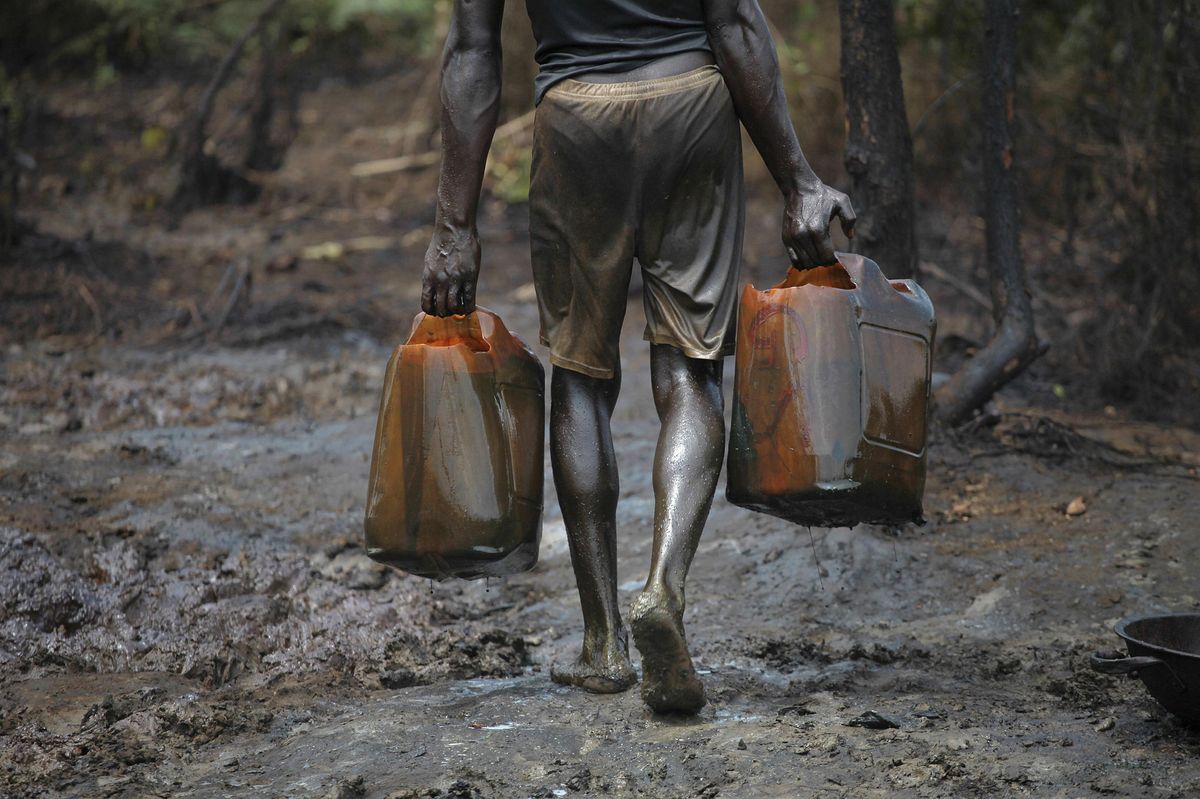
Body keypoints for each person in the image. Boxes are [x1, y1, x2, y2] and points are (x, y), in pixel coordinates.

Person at [421, 0, 855, 714]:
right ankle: (663, 587)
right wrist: (799, 179)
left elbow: (473, 51)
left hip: (576, 120)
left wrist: (453, 224)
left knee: (580, 378)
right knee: (690, 371)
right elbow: (738, 26)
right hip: (692, 106)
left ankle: (603, 642)